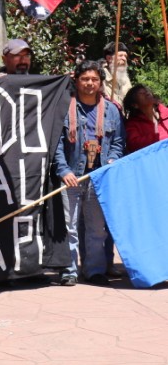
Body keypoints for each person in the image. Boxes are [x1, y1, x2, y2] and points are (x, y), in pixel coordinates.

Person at [54, 60, 124, 287]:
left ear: (101, 82)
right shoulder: (64, 107)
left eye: (94, 79)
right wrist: (63, 170)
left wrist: (112, 160)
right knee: (69, 226)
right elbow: (56, 144)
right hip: (72, 176)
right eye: (85, 79)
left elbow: (118, 143)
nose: (90, 83)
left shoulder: (112, 110)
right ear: (76, 80)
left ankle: (94, 270)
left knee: (96, 228)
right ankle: (70, 270)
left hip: (99, 177)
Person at [123, 84, 168, 153]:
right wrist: (161, 136)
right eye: (141, 93)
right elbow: (133, 145)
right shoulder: (132, 125)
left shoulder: (166, 113)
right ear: (135, 105)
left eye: (147, 91)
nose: (146, 93)